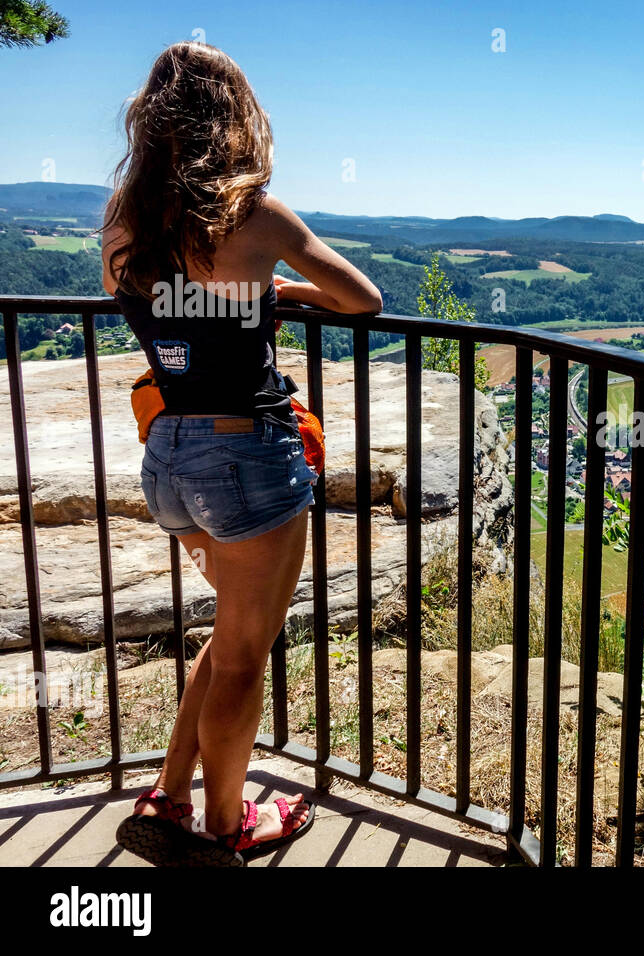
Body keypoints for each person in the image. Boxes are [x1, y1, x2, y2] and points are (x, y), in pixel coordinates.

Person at [100, 41, 382, 866]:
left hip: (170, 454)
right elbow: (363, 299)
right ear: (236, 117)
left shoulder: (124, 221)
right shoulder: (256, 215)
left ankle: (172, 791)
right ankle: (228, 826)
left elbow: (174, 311)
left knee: (228, 636)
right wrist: (282, 288)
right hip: (247, 453)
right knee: (245, 655)